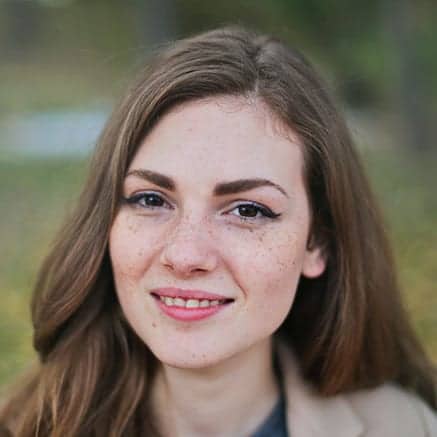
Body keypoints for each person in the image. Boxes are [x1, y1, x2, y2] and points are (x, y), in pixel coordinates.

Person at [1, 26, 436, 437]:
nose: (185, 255)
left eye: (247, 210)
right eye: (151, 200)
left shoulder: (408, 427)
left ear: (317, 242)